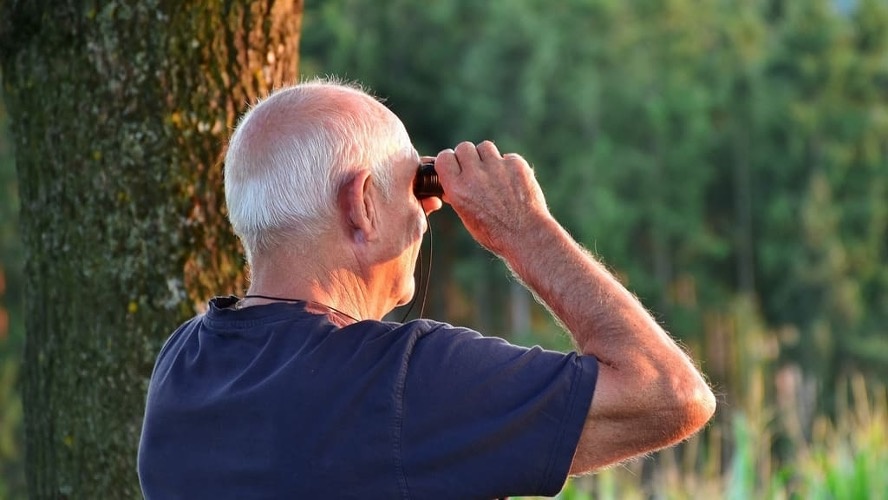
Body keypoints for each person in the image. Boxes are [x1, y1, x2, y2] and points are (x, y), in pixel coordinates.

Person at [137, 79, 716, 499]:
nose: (425, 215)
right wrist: (524, 229)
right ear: (362, 206)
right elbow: (668, 394)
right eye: (412, 187)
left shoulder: (182, 368)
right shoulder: (406, 384)